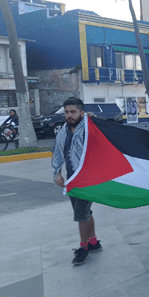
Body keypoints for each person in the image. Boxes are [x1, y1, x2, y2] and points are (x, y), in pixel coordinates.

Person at [52, 97, 102, 265]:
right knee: (86, 213)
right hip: (73, 179)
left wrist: (92, 119)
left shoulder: (89, 127)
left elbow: (105, 139)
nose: (69, 115)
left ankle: (83, 248)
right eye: (66, 112)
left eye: (73, 112)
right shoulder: (63, 132)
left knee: (81, 214)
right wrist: (57, 174)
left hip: (89, 180)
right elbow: (58, 153)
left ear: (81, 112)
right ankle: (93, 242)